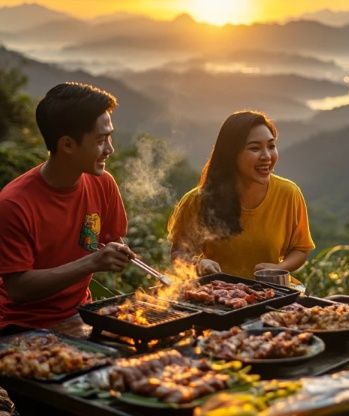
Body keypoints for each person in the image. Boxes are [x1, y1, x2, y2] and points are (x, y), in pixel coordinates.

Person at [0, 82, 135, 333]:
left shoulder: (102, 183)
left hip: (80, 316)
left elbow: (109, 240)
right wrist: (92, 262)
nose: (110, 149)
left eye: (110, 137)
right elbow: (18, 288)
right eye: (100, 140)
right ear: (67, 145)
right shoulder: (14, 204)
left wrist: (114, 252)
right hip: (22, 327)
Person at [167, 110, 315, 278]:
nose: (267, 156)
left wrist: (279, 267)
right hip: (218, 295)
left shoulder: (289, 194)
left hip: (274, 293)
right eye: (255, 148)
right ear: (231, 154)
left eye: (271, 146)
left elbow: (301, 249)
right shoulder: (199, 201)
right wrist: (198, 264)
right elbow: (179, 253)